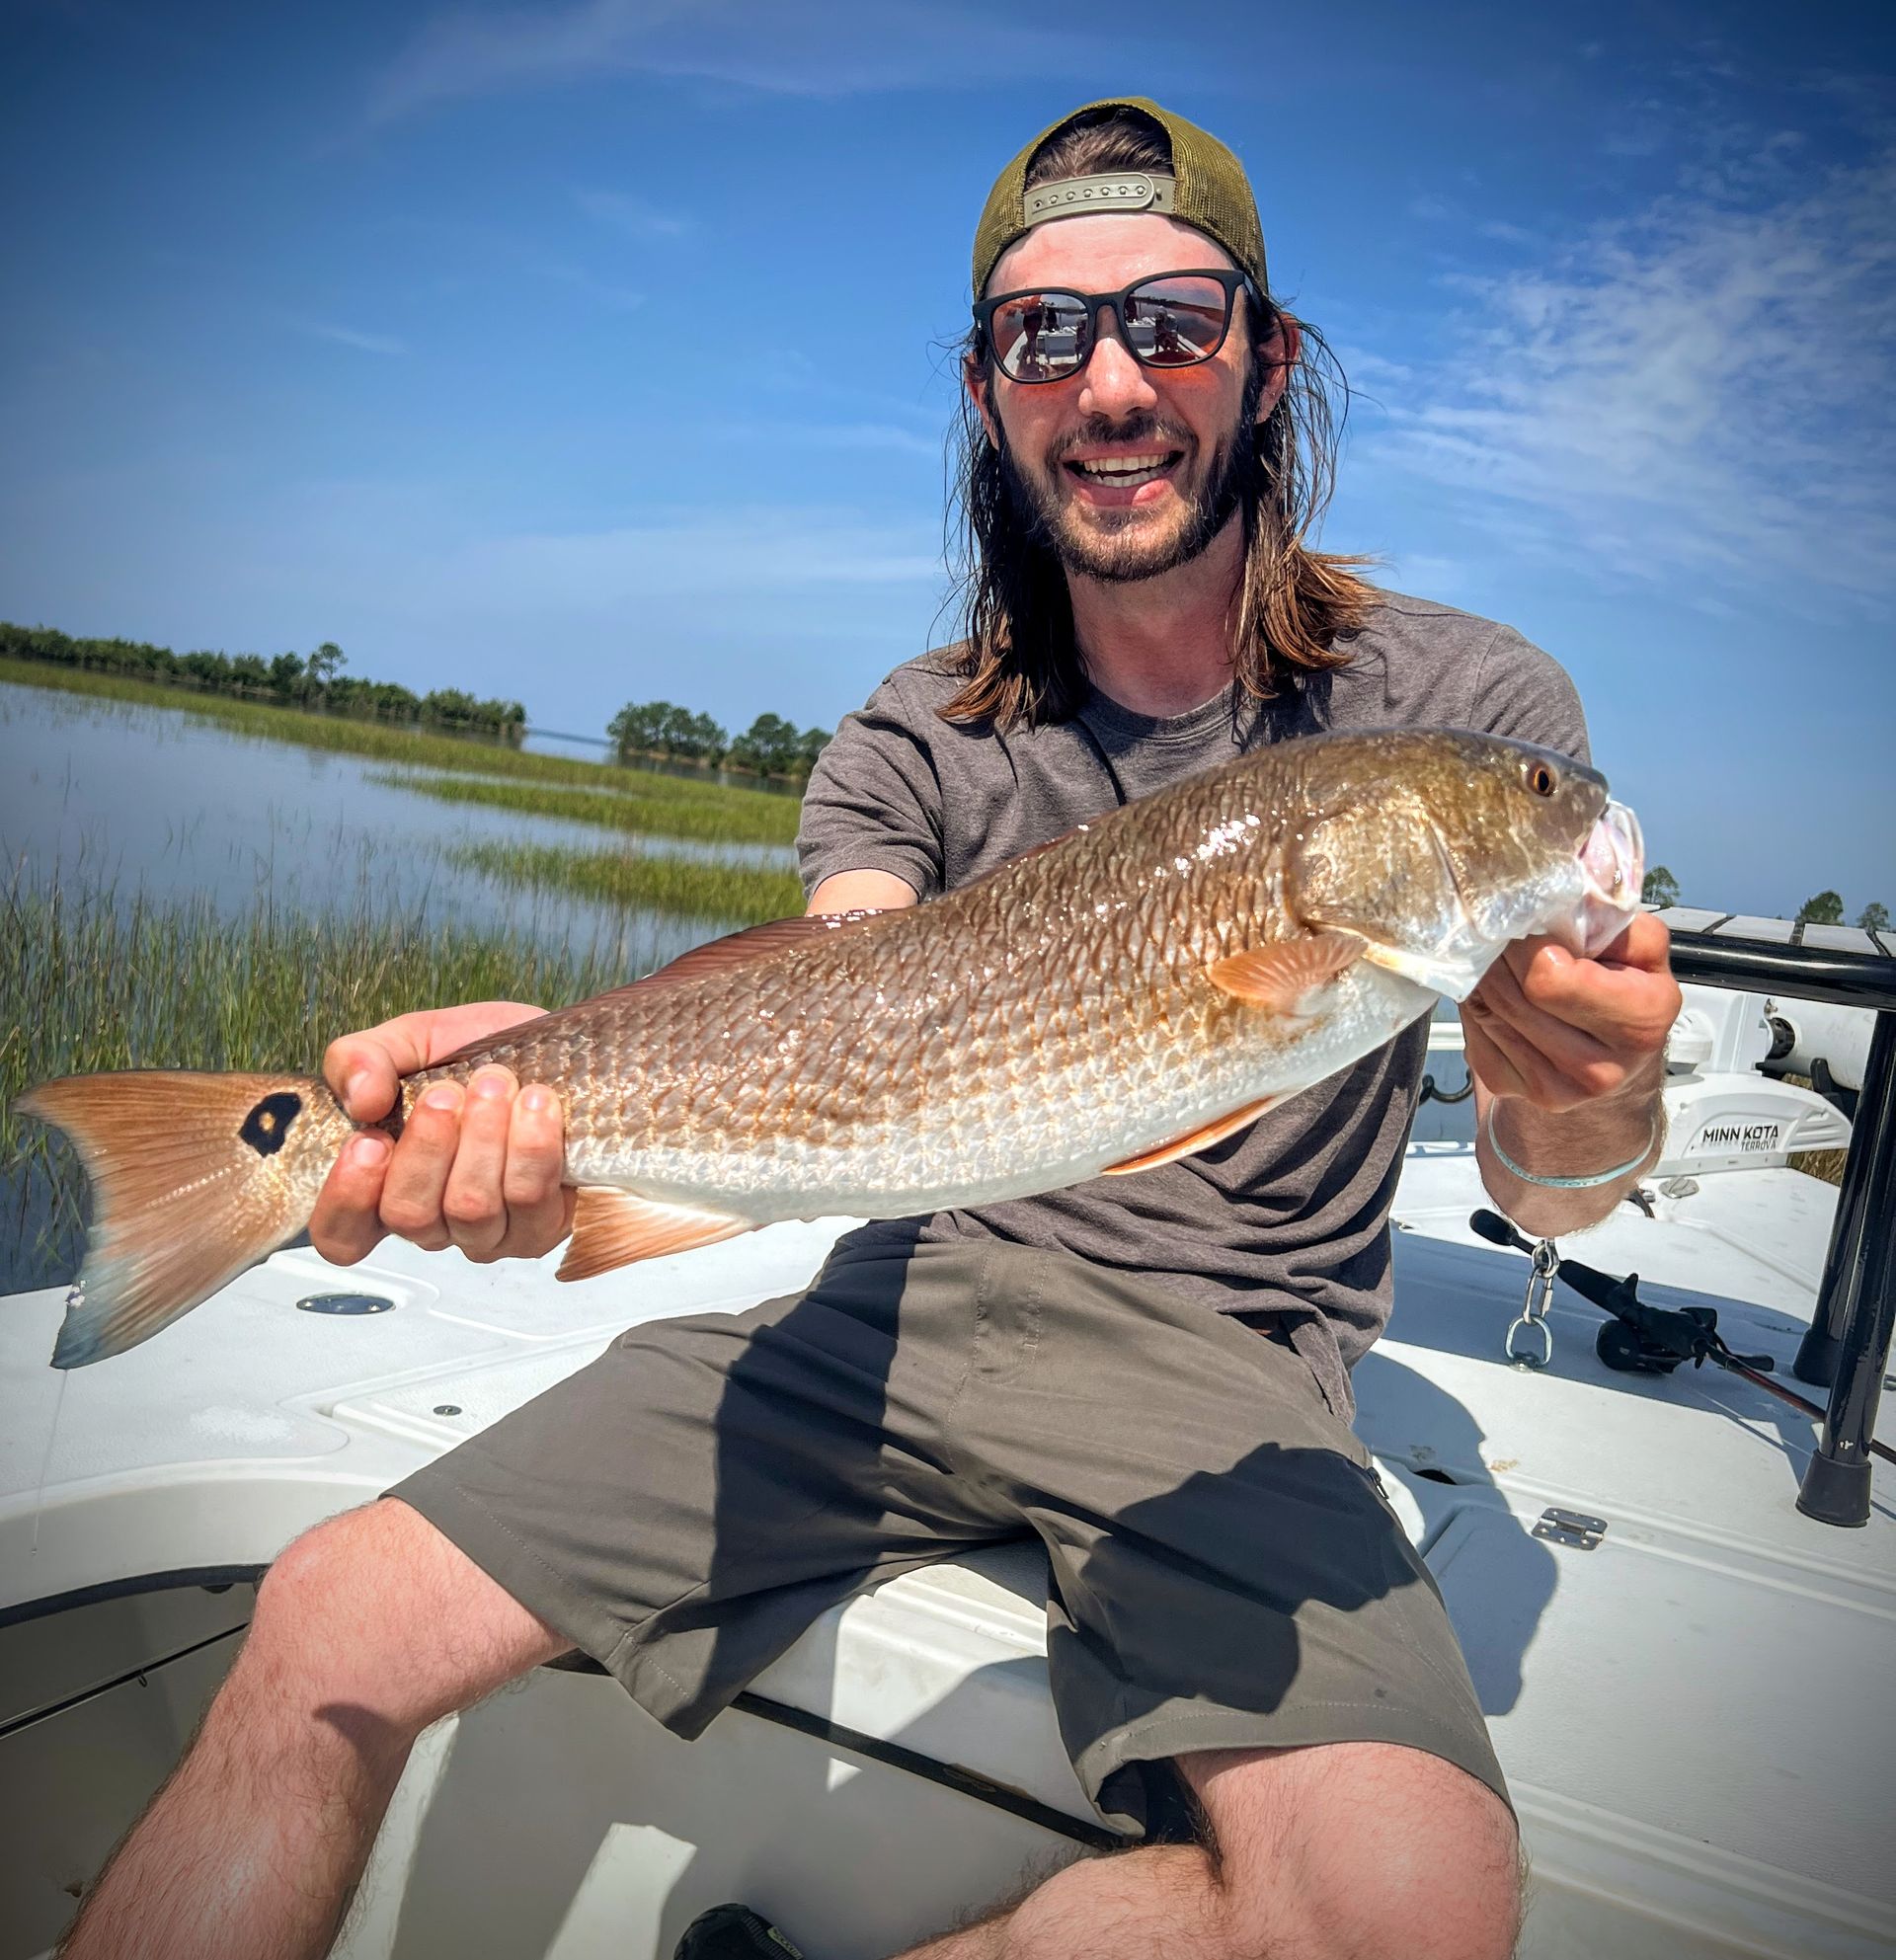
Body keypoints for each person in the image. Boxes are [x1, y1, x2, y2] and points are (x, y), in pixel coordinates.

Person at [59, 98, 1680, 1960]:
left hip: (1223, 1363)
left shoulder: (1462, 707)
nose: (1115, 382)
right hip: (889, 1303)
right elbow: (844, 981)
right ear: (991, 389)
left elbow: (1556, 1204)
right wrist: (548, 1080)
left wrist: (1591, 1102)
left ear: (1268, 355)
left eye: (1172, 316)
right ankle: (215, 1182)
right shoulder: (915, 727)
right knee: (324, 1618)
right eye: (1047, 334)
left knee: (1409, 1916)